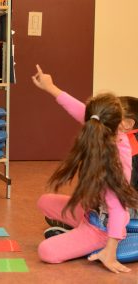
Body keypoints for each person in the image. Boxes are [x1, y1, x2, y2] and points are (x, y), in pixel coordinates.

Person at [31, 64, 138, 273]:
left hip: (103, 227)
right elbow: (81, 110)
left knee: (46, 252)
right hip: (91, 210)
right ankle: (75, 231)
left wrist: (110, 249)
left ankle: (87, 239)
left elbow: (117, 208)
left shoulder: (112, 163)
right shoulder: (103, 129)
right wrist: (51, 88)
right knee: (43, 202)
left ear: (126, 124)